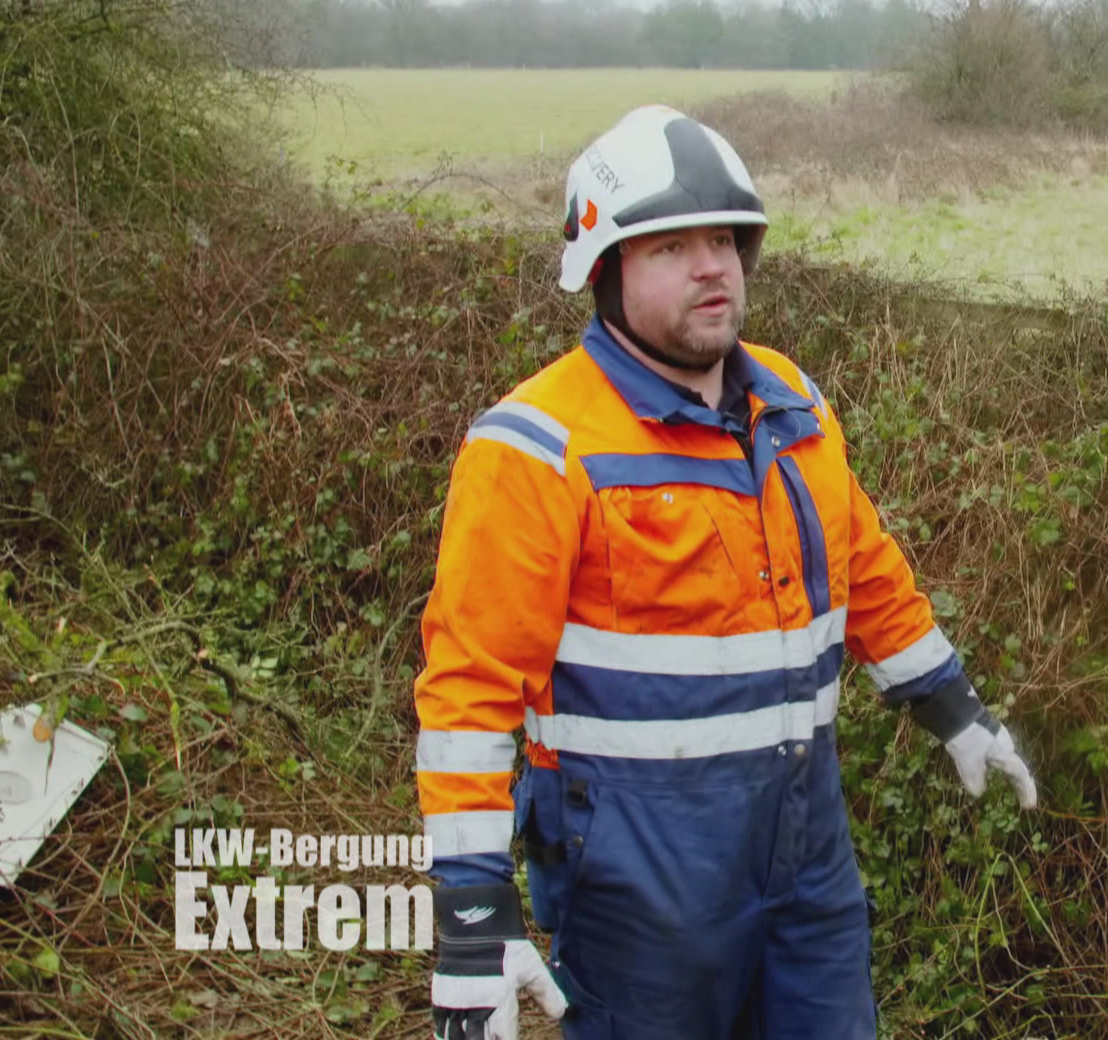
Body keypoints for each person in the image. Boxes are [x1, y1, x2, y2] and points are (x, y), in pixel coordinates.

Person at [412, 104, 1038, 1040]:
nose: (712, 265)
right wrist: (470, 920)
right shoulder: (536, 447)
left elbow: (865, 574)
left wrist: (953, 709)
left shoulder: (791, 404)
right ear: (605, 271)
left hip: (806, 856)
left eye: (724, 239)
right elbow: (468, 696)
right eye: (671, 246)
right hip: (637, 882)